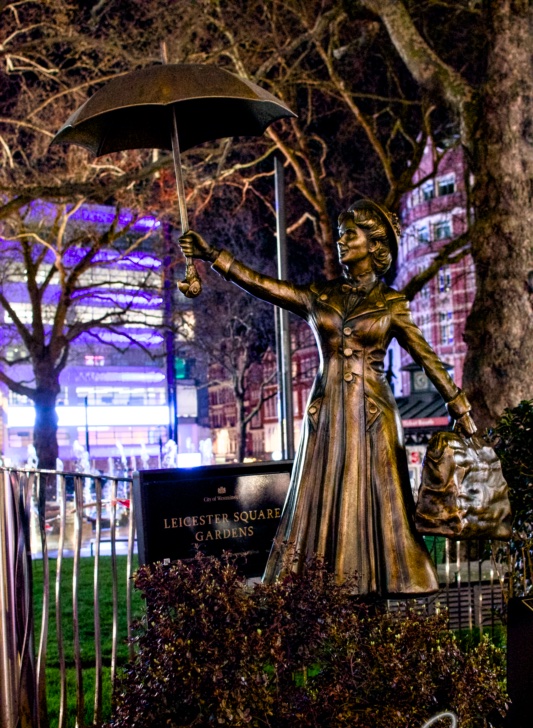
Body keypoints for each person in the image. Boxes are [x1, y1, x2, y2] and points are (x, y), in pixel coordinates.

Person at [179, 199, 476, 597]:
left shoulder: (391, 304)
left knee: (380, 505)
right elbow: (265, 285)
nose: (341, 241)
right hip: (327, 415)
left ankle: (386, 584)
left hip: (373, 417)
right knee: (321, 503)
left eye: (350, 234)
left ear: (375, 245)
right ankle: (328, 590)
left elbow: (427, 358)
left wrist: (458, 405)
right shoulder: (320, 295)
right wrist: (213, 256)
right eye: (340, 234)